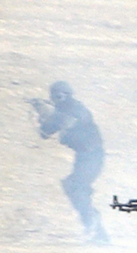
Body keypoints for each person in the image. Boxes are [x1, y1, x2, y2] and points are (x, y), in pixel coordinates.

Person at [28, 81, 109, 243]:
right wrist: (43, 114)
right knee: (74, 187)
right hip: (85, 157)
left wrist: (47, 114)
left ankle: (94, 227)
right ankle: (97, 231)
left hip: (93, 156)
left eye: (59, 96)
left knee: (76, 188)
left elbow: (64, 123)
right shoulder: (66, 109)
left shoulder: (76, 109)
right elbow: (46, 131)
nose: (59, 100)